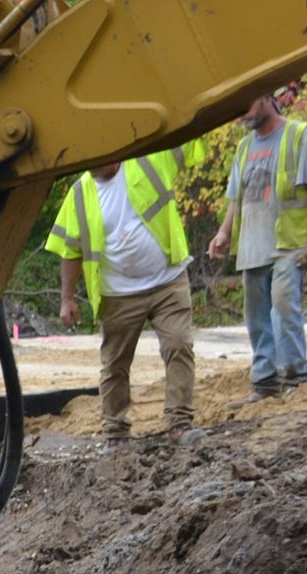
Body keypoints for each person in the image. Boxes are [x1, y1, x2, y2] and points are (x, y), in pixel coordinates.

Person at [45, 140, 211, 439]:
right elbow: (69, 250)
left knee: (178, 345)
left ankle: (179, 423)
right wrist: (67, 298)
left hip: (167, 280)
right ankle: (115, 431)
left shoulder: (149, 161)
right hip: (119, 294)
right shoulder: (80, 194)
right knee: (115, 364)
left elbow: (189, 139)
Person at [208, 93, 307, 397]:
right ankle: (264, 382)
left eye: (245, 106)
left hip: (289, 243)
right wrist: (224, 232)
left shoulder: (301, 136)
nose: (241, 116)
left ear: (265, 97)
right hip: (253, 244)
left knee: (284, 305)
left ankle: (294, 376)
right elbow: (237, 197)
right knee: (256, 315)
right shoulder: (245, 147)